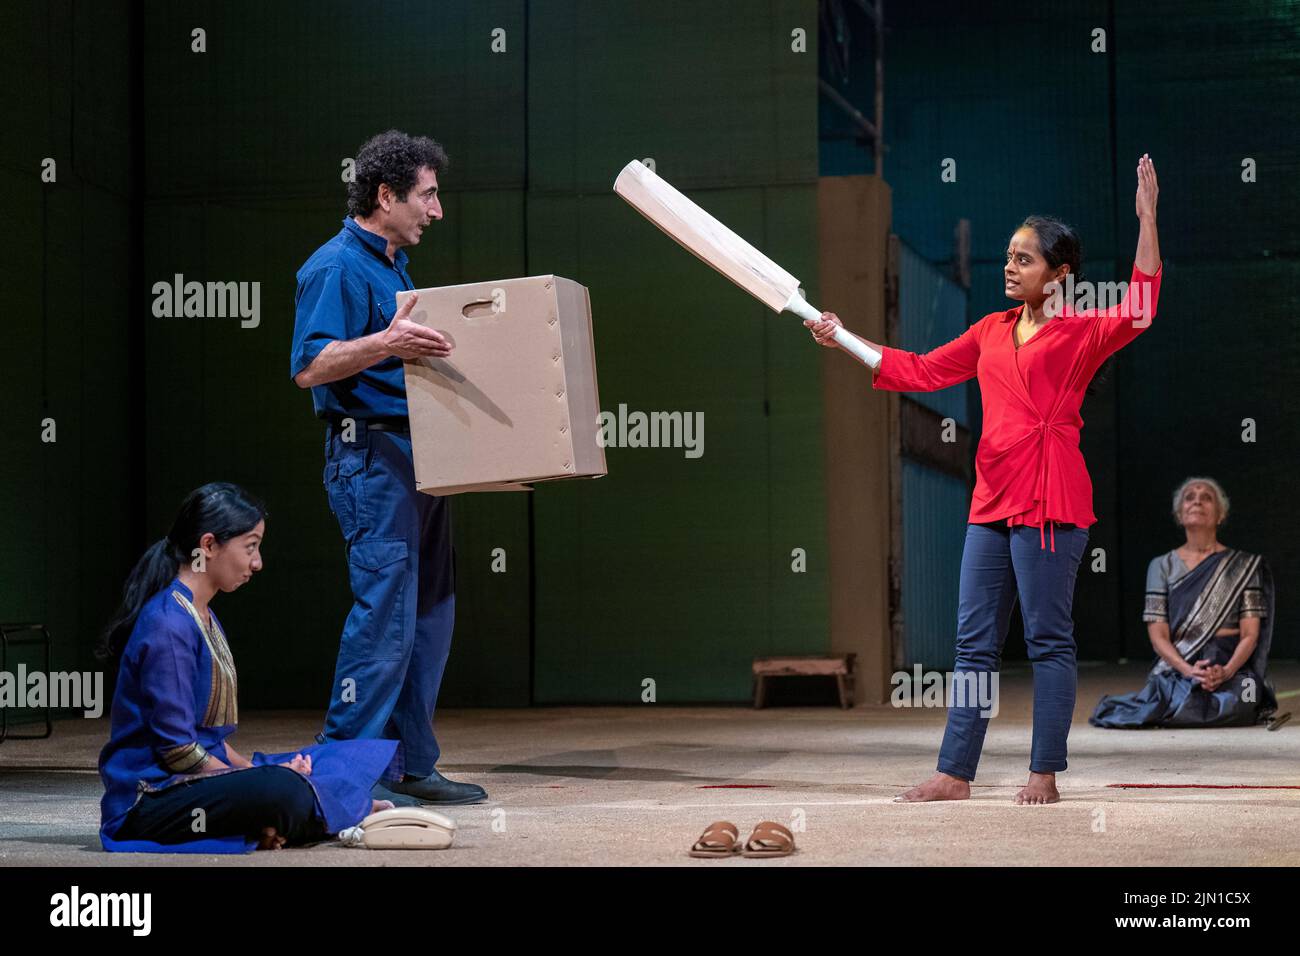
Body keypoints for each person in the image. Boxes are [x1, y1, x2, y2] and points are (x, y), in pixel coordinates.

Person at [808, 156, 1163, 804]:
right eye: (1008, 256)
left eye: (1024, 259)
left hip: (1052, 501)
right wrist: (845, 340)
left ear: (1060, 274)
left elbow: (1141, 306)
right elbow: (917, 370)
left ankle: (1043, 771)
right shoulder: (989, 332)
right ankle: (955, 771)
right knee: (973, 644)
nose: (1009, 266)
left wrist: (1147, 220)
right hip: (991, 501)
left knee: (1049, 640)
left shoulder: (1082, 332)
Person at [290, 130, 485, 805]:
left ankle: (410, 764)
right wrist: (384, 342)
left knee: (432, 613)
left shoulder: (393, 263)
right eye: (428, 195)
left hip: (416, 457)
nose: (437, 209)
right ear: (386, 194)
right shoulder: (337, 266)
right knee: (385, 618)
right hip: (369, 459)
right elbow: (310, 365)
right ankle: (348, 774)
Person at [97, 482, 397, 852]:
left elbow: (213, 743)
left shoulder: (200, 614)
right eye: (250, 547)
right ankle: (328, 810)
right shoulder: (168, 623)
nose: (257, 563)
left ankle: (303, 811)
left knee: (334, 757)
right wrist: (265, 776)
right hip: (151, 799)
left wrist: (262, 771)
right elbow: (179, 754)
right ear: (208, 546)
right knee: (281, 789)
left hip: (194, 780)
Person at [1090, 477, 1278, 728]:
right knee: (1168, 696)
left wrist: (1227, 670)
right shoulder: (1161, 566)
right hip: (1179, 664)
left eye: (1206, 497)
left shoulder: (1244, 566)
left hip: (1230, 663)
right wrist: (1189, 671)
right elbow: (1158, 636)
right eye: (1190, 497)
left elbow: (1250, 634)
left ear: (1220, 514)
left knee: (1245, 695)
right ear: (1180, 514)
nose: (1197, 501)